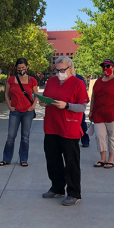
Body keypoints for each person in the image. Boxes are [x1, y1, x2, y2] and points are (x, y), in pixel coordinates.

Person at [40, 56, 89, 206]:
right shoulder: (51, 82)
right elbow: (48, 98)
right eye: (57, 70)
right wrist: (43, 102)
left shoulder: (78, 83)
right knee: (52, 159)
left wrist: (67, 105)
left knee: (71, 161)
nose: (59, 72)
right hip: (52, 126)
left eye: (62, 70)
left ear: (70, 68)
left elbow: (82, 106)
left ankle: (74, 193)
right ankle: (57, 187)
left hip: (69, 127)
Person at [0, 58, 38, 167]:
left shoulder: (32, 80)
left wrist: (33, 107)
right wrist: (9, 106)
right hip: (15, 112)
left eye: (23, 68)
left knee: (25, 137)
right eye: (19, 68)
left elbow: (36, 96)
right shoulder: (11, 79)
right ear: (16, 68)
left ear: (27, 67)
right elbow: (6, 94)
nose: (21, 70)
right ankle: (6, 159)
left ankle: (23, 159)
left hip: (27, 112)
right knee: (11, 136)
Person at [89, 59, 114, 168]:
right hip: (98, 114)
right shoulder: (98, 81)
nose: (105, 68)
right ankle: (102, 159)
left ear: (113, 67)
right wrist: (91, 111)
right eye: (103, 66)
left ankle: (110, 160)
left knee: (112, 136)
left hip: (113, 114)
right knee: (99, 136)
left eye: (108, 66)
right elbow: (93, 97)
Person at [75, 73, 90, 147]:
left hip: (79, 105)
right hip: (67, 106)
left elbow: (83, 91)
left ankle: (85, 140)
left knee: (81, 123)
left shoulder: (79, 78)